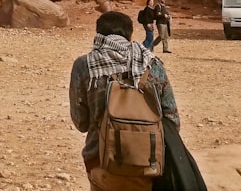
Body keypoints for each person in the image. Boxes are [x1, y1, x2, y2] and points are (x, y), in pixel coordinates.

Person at [69, 11, 180, 190]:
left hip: (100, 162)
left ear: (99, 34)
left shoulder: (84, 65)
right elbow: (172, 119)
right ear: (129, 35)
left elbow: (81, 122)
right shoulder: (152, 63)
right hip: (148, 163)